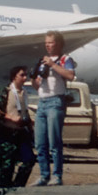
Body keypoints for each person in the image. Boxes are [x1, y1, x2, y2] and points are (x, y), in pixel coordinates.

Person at [31, 31, 75, 186]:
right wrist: (35, 78)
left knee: (54, 140)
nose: (47, 45)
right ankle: (44, 175)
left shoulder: (65, 59)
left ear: (59, 44)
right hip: (42, 102)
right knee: (39, 142)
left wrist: (52, 65)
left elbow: (70, 75)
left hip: (56, 101)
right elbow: (37, 85)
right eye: (46, 43)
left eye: (51, 42)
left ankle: (57, 175)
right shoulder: (42, 61)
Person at [0, 65, 36, 184]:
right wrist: (11, 117)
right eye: (22, 75)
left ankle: (18, 184)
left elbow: (24, 111)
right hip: (8, 130)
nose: (25, 78)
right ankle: (5, 186)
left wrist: (30, 125)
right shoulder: (6, 92)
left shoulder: (24, 92)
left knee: (29, 159)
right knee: (8, 163)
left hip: (21, 131)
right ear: (14, 77)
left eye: (26, 75)